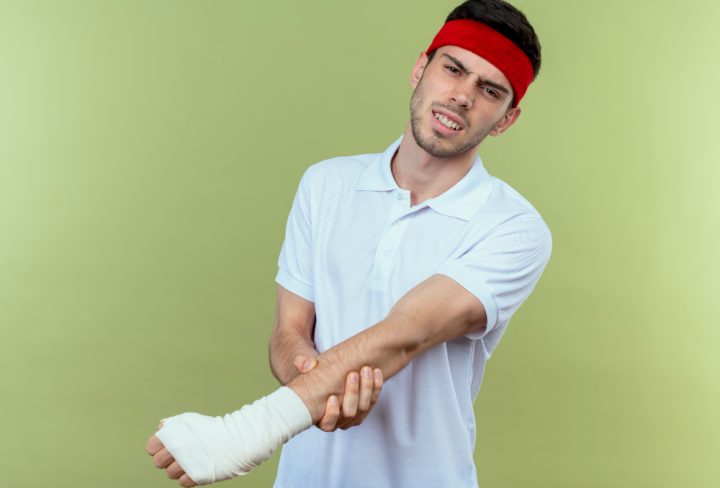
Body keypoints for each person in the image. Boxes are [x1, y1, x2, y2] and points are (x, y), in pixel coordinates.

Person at [146, 0, 551, 486]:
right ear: (420, 68)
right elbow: (289, 331)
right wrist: (322, 392)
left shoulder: (513, 227)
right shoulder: (326, 185)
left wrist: (245, 433)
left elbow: (409, 330)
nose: (463, 96)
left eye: (490, 90)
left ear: (507, 118)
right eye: (453, 69)